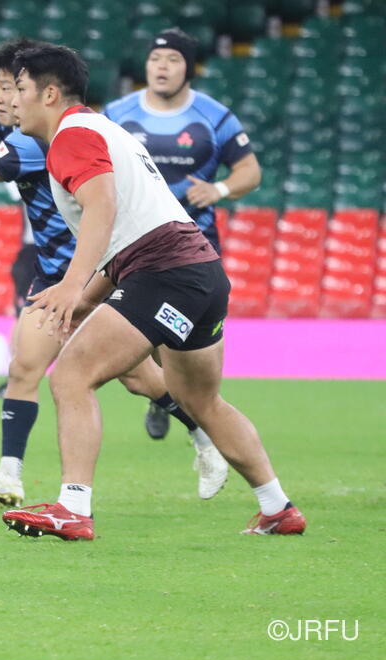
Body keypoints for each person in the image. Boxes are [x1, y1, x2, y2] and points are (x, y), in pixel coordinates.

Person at [0, 39, 225, 505]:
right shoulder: (24, 126)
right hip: (53, 276)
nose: (1, 98)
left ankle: (201, 433)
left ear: (42, 93)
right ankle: (10, 475)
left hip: (94, 275)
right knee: (25, 367)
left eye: (10, 87)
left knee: (136, 379)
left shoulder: (42, 141)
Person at [2, 44, 305, 539]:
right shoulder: (104, 130)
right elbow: (127, 237)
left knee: (72, 376)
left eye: (19, 88)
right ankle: (278, 508)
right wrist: (84, 299)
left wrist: (72, 284)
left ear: (50, 93)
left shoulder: (70, 138)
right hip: (200, 271)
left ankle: (72, 508)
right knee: (201, 400)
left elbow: (103, 210)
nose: (12, 100)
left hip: (164, 272)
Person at [104, 28, 262, 441]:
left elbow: (250, 171)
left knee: (182, 343)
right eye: (156, 59)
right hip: (132, 246)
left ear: (188, 69)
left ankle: (176, 398)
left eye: (173, 60)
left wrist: (219, 189)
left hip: (194, 246)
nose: (162, 67)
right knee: (148, 335)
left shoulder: (214, 116)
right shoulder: (117, 114)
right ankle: (166, 397)